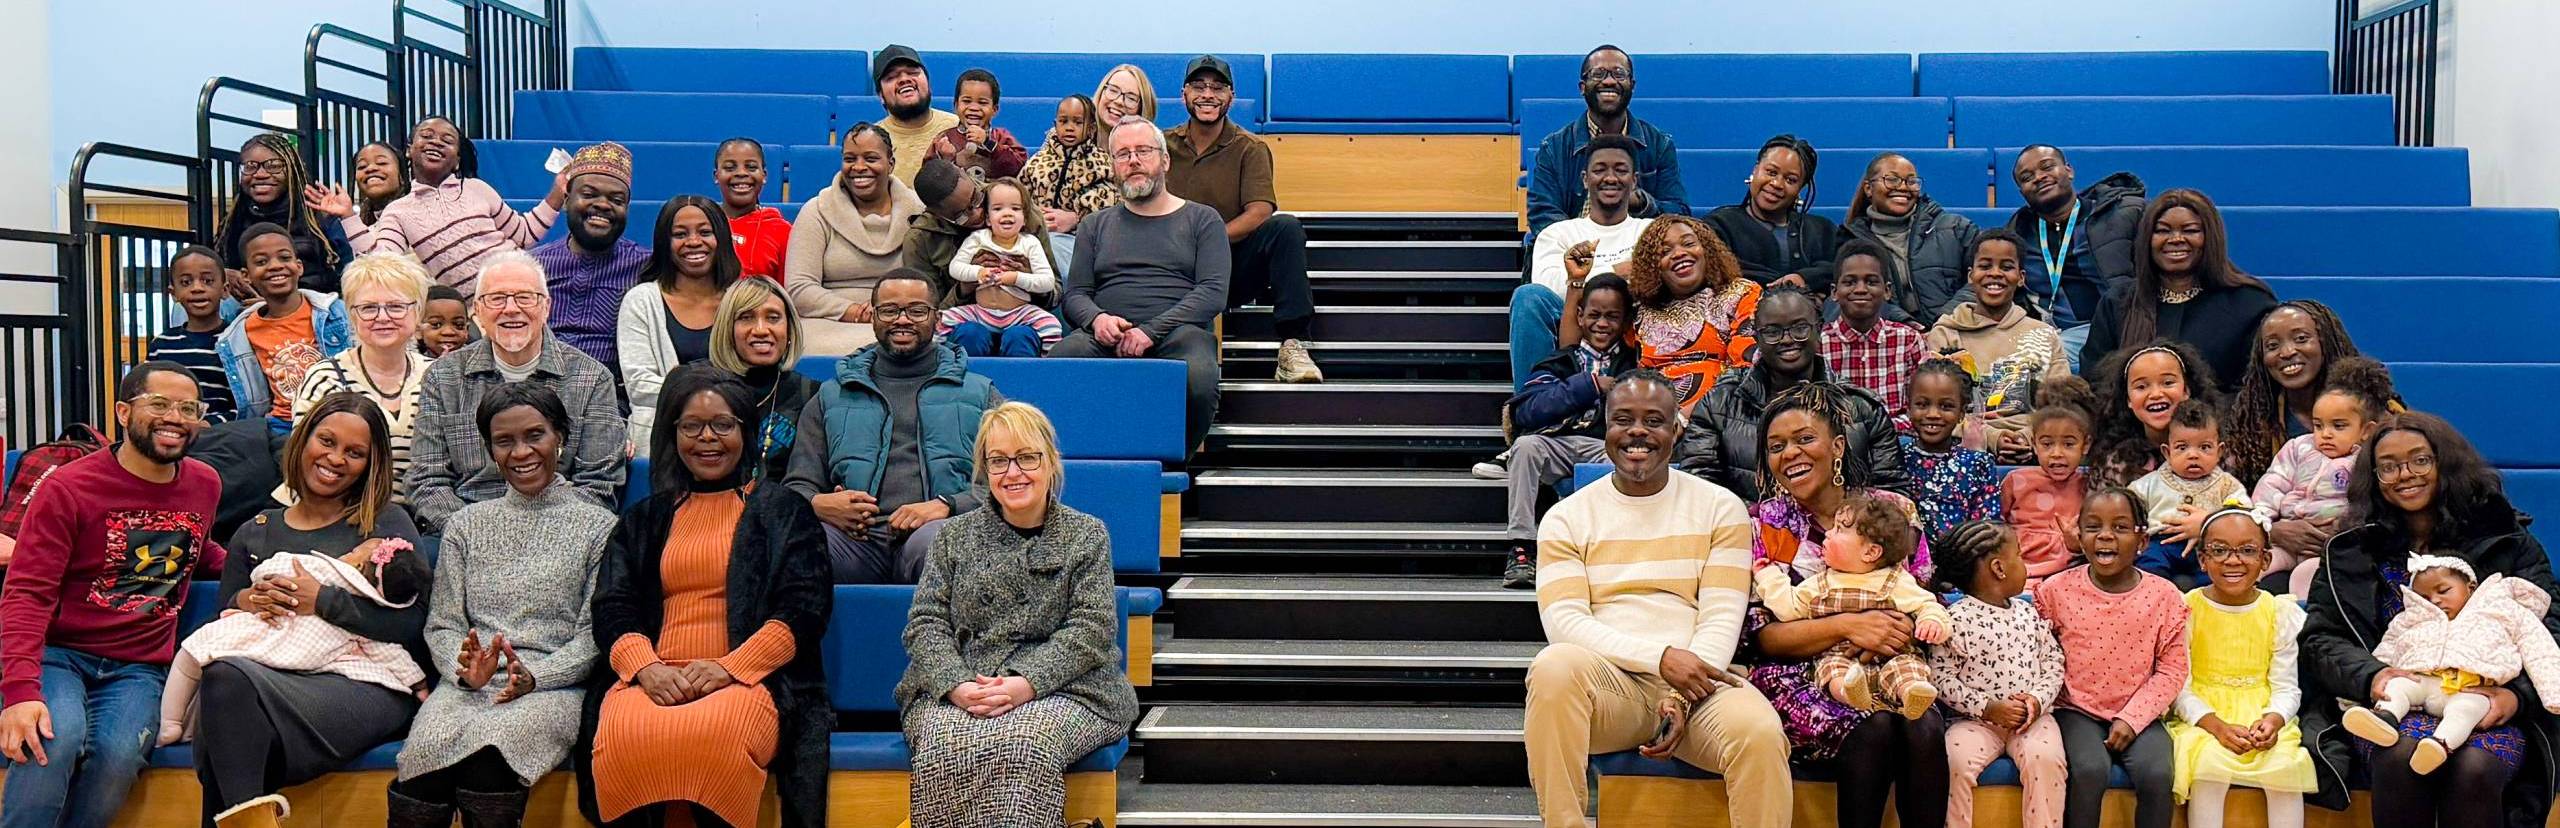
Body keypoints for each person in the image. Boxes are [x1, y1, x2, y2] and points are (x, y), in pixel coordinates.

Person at [1521, 370, 1789, 828]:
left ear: (1676, 430)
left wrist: (1681, 695)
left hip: (1699, 685)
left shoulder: (1720, 507)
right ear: (1605, 428)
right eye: (1623, 419)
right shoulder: (1566, 518)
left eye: (1654, 420)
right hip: (1612, 688)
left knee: (1760, 733)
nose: (1637, 432)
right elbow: (1565, 623)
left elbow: (1722, 617)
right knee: (1552, 667)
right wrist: (1661, 659)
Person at [583, 365, 832, 828]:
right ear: (672, 433)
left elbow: (804, 610)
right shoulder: (645, 517)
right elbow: (612, 605)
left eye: (723, 424)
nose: (707, 439)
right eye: (691, 426)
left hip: (749, 678)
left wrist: (728, 668)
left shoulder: (783, 511)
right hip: (653, 676)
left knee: (715, 735)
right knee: (623, 733)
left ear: (746, 430)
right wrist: (645, 667)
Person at [180, 392, 431, 828]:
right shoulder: (254, 532)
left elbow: (413, 624)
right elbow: (223, 626)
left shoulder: (385, 524)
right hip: (270, 678)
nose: (336, 459)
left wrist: (325, 601)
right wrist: (247, 601)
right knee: (225, 681)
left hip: (363, 681)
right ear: (303, 440)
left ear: (371, 464)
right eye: (327, 441)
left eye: (355, 453)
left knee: (230, 725)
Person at [2300, 411, 2558, 827]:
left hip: (2487, 701)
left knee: (2474, 767)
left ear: (2444, 463)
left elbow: (2550, 630)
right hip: (2395, 706)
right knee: (2401, 754)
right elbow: (2321, 640)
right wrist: (2374, 677)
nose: (2405, 474)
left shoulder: (2507, 540)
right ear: (2373, 477)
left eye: (2420, 460)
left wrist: (2517, 697)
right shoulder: (2350, 550)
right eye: (2389, 466)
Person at [0, 363, 224, 828]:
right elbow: (27, 592)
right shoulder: (68, 487)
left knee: (119, 755)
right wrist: (20, 691)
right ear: (123, 412)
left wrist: (260, 566)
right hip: (59, 656)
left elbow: (197, 550)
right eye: (159, 404)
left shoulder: (205, 483)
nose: (175, 417)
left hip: (140, 667)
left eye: (188, 408)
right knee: (52, 742)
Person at [899, 402, 1137, 827]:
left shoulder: (1086, 533)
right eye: (998, 461)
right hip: (964, 684)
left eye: (1027, 457)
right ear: (984, 471)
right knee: (942, 741)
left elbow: (1092, 628)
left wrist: (1027, 683)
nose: (1013, 473)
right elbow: (925, 623)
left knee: (1025, 740)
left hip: (1069, 689)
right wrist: (955, 684)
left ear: (1050, 462)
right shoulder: (953, 535)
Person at [392, 383, 614, 828]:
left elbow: (594, 638)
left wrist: (536, 677)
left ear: (561, 438)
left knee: (489, 761)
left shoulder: (599, 526)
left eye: (535, 435)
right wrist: (463, 668)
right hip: (468, 686)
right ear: (490, 450)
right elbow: (443, 625)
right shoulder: (465, 525)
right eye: (504, 441)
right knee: (422, 762)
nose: (521, 452)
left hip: (552, 688)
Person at [1733, 382, 1941, 828]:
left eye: (1804, 438)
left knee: (1922, 724)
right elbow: (1761, 639)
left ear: (1838, 446)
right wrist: (1850, 626)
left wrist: (1887, 633)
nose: (1790, 453)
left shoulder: (1893, 510)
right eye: (1776, 446)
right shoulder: (1764, 523)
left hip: (1892, 661)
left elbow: (1921, 600)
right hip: (1798, 672)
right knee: (1873, 726)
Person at [784, 271, 1000, 584]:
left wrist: (948, 506)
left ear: (937, 318)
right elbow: (797, 485)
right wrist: (820, 504)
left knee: (939, 544)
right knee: (799, 546)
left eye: (916, 310)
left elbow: (1012, 481)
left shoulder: (980, 394)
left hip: (937, 534)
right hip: (855, 540)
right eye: (889, 310)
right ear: (872, 316)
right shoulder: (831, 395)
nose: (902, 320)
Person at [406, 252, 628, 533]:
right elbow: (427, 480)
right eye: (497, 298)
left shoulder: (593, 378)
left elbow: (599, 483)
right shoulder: (443, 377)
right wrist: (477, 534)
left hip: (560, 534)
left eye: (525, 297)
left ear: (546, 306)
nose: (511, 309)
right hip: (468, 529)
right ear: (478, 311)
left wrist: (532, 536)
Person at [1052, 117, 1232, 455]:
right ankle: (1080, 461)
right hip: (1104, 335)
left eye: (1143, 151)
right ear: (1114, 167)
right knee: (1062, 359)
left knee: (1198, 377)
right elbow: (1075, 294)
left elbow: (1212, 292)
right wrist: (1098, 320)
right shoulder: (1095, 225)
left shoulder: (1203, 219)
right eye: (1122, 154)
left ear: (1164, 160)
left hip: (1179, 334)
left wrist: (1150, 331)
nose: (1133, 160)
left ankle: (1174, 466)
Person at [2039, 486, 2189, 828]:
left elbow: (2172, 670)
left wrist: (2133, 718)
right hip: (2075, 709)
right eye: (2093, 527)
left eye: (2120, 527)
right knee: (2090, 770)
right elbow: (2041, 656)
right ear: (2080, 535)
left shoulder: (2165, 596)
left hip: (2140, 711)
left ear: (2141, 541)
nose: (2105, 535)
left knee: (2158, 773)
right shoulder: (2054, 591)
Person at [1167, 54, 1322, 384]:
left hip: (1229, 267)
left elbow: (1260, 211)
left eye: (1217, 87)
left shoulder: (1250, 147)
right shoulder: (1161, 147)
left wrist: (1209, 240)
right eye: (1198, 86)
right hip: (1170, 266)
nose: (1208, 94)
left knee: (1285, 227)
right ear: (1183, 94)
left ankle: (1293, 345)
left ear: (1231, 98)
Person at [1677, 289, 1906, 498]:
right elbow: (1700, 489)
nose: (1787, 340)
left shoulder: (1862, 407)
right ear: (1756, 337)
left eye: (1799, 328)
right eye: (1772, 332)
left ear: (1819, 329)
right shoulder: (1719, 403)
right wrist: (1765, 524)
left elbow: (1892, 493)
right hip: (1746, 534)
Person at [2344, 555, 2560, 776]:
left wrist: (2554, 693)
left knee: (2466, 710)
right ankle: (2384, 719)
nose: (2435, 600)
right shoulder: (2411, 618)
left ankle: (2440, 744)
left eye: (2443, 590)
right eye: (2424, 597)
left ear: (2471, 587)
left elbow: (2539, 647)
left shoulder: (2502, 609)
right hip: (2422, 681)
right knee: (2396, 686)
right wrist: (2368, 683)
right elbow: (2387, 649)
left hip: (2472, 687)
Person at [2168, 508, 2315, 828]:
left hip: (2262, 711)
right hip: (2204, 717)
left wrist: (2274, 720)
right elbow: (2179, 685)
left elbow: (2287, 686)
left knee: (2285, 766)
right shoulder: (2186, 608)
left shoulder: (2279, 612)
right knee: (2208, 763)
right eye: (2219, 550)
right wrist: (2214, 725)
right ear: (2202, 560)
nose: (2233, 560)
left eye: (2247, 551)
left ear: (2265, 560)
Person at [1492, 274, 1637, 587]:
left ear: (1625, 321)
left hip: (1602, 445)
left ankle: (1597, 551)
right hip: (1554, 444)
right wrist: (1590, 385)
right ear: (1580, 316)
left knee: (1624, 459)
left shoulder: (1632, 366)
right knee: (1526, 447)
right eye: (1594, 315)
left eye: (1612, 316)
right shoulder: (1560, 360)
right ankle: (1522, 547)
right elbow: (1527, 411)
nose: (1602, 324)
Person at [1751, 492, 1950, 718]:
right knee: (1831, 670)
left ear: (1870, 552)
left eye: (1838, 530)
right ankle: (1849, 693)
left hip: (1891, 657)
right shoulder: (1821, 582)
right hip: (1841, 656)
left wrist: (1931, 622)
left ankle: (1911, 694)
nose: (1827, 533)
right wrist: (1768, 575)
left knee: (1907, 668)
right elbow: (1789, 607)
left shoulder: (1896, 580)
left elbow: (1927, 604)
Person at [313, 115, 564, 293]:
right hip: (472, 316)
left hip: (520, 286)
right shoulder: (398, 211)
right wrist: (348, 216)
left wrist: (558, 191)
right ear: (410, 151)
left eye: (447, 140)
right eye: (427, 136)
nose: (436, 142)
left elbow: (525, 234)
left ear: (456, 160)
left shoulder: (478, 188)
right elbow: (380, 263)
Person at [1931, 521, 2069, 828]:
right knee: (1952, 760)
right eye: (2019, 556)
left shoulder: (2027, 612)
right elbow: (1940, 677)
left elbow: (2053, 662)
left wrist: (2036, 700)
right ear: (1998, 568)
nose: (2025, 564)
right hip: (1976, 722)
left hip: (2032, 721)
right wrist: (1987, 708)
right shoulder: (1955, 619)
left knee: (2045, 761)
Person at [2081, 188, 2277, 385]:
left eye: (2190, 230)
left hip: (2223, 414)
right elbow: (2095, 380)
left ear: (2211, 238)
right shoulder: (2117, 303)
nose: (2175, 239)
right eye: (2162, 231)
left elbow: (2257, 387)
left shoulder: (2250, 303)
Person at [290, 252, 435, 502]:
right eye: (368, 308)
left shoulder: (439, 376)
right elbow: (303, 466)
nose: (382, 317)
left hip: (427, 519)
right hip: (343, 517)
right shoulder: (324, 379)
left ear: (418, 311)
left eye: (396, 306)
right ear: (351, 315)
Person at [1514, 134, 1653, 390]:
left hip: (1635, 323)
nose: (1610, 178)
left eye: (1621, 170)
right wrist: (1616, 272)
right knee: (1528, 298)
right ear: (1585, 179)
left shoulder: (1651, 231)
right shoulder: (1558, 233)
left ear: (1634, 181)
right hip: (1573, 320)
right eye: (1600, 170)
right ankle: (1530, 404)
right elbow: (1548, 289)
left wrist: (1581, 275)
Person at [2254, 358, 2396, 599]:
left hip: (2329, 545)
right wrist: (2261, 521)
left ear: (2366, 431)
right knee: (2255, 565)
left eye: (2338, 426)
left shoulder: (2365, 461)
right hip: (2286, 536)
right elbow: (2272, 483)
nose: (2325, 434)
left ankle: (2301, 613)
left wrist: (2344, 530)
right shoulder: (2298, 448)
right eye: (2318, 425)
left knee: (2308, 576)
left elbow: (2368, 505)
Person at [1928, 229, 2073, 460]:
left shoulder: (2042, 335)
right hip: (1963, 448)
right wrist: (1991, 439)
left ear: (2021, 277)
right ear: (1970, 275)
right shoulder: (1946, 334)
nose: (1995, 274)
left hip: (2036, 444)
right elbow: (1935, 410)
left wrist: (2027, 437)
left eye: (2006, 267)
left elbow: (2062, 405)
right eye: (1985, 266)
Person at [1523, 45, 1687, 245]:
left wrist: (1642, 203)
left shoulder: (1659, 145)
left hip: (1638, 254)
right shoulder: (1553, 148)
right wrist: (1589, 251)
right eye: (1598, 74)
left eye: (1619, 74)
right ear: (1582, 87)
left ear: (1632, 85)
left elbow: (1679, 213)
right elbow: (1543, 214)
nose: (1609, 81)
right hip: (1573, 254)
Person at [786, 122, 924, 356]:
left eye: (870, 158)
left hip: (904, 319)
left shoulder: (919, 212)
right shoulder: (816, 211)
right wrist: (852, 311)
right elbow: (799, 287)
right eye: (850, 159)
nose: (859, 167)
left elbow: (933, 281)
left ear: (890, 163)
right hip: (828, 321)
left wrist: (891, 313)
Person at [620, 194, 742, 455]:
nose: (694, 242)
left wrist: (680, 385)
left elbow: (752, 379)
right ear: (666, 243)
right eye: (680, 234)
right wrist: (715, 393)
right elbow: (639, 386)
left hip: (732, 438)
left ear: (720, 238)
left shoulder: (741, 299)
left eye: (705, 232)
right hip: (659, 440)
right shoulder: (641, 301)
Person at [2005, 146, 2147, 369]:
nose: (2039, 177)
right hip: (2048, 332)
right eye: (2027, 177)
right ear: (2022, 191)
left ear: (2069, 171)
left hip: (2120, 327)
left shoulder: (2126, 214)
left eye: (2047, 167)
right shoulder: (2018, 233)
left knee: (2040, 361)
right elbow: (1982, 280)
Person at [218, 223, 354, 431]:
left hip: (336, 417)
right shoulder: (240, 333)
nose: (275, 266)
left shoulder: (335, 312)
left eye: (284, 258)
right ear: (246, 275)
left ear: (299, 266)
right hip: (283, 425)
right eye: (262, 261)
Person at [529, 141, 647, 371]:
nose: (603, 205)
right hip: (538, 389)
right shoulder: (534, 266)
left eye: (617, 200)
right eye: (589, 194)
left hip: (613, 394)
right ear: (566, 200)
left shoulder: (646, 266)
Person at [1626, 215, 1759, 411]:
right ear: (1654, 268)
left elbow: (1746, 368)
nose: (1679, 253)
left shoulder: (1741, 293)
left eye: (1688, 243)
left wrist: (1687, 416)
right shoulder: (1641, 313)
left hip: (1725, 412)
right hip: (1654, 417)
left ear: (1707, 250)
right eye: (1664, 251)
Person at [2225, 300, 2363, 485]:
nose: (2287, 352)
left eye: (2301, 339)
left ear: (2326, 342)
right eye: (2273, 345)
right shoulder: (2251, 427)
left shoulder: (2373, 410)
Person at [1842, 151, 1977, 328]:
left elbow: (1980, 280)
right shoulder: (1852, 241)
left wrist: (1944, 323)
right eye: (1892, 179)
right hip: (1891, 339)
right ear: (1869, 188)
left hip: (1957, 330)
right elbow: (1849, 297)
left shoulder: (1957, 228)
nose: (1903, 187)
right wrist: (1907, 326)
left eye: (1911, 181)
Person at [2126, 400, 2250, 589]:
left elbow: (2244, 515)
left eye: (2205, 447)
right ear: (2167, 453)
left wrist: (2210, 523)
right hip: (2161, 544)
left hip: (2207, 547)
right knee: (2149, 568)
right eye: (2182, 448)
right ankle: (2152, 605)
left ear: (2220, 451)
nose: (2193, 455)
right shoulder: (2149, 484)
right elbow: (2128, 507)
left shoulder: (2227, 485)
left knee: (2216, 575)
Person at [940, 177, 1064, 357]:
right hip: (981, 312)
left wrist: (1015, 278)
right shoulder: (978, 239)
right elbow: (956, 267)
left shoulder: (1030, 243)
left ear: (1024, 218)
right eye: (998, 209)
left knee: (1052, 325)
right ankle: (939, 361)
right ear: (988, 219)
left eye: (1015, 208)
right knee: (941, 320)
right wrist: (978, 273)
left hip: (1020, 313)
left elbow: (1047, 282)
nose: (1007, 214)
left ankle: (1046, 364)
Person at [1701, 134, 1839, 294]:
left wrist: (1804, 278)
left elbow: (1843, 267)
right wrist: (1782, 285)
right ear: (1755, 170)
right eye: (1771, 172)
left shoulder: (1823, 230)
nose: (1777, 184)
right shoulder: (1719, 224)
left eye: (1790, 180)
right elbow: (1717, 270)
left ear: (1801, 188)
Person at [708, 278, 814, 484]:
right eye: (746, 317)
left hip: (784, 510)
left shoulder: (811, 394)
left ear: (789, 329)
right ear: (727, 328)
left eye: (773, 318)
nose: (761, 330)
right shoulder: (694, 388)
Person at [218, 132, 350, 294]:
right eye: (250, 167)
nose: (260, 174)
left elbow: (352, 272)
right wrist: (222, 274)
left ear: (291, 170)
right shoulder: (233, 221)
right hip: (249, 311)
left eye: (273, 166)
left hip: (314, 308)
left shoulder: (318, 217)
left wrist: (276, 306)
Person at [2088, 340, 2221, 487]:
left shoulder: (2219, 453)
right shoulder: (2115, 465)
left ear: (2186, 391)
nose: (2156, 394)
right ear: (2128, 400)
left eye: (2168, 383)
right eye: (2141, 386)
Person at [1820, 239, 1926, 416]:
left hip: (1898, 438)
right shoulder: (1819, 345)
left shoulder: (1908, 340)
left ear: (1887, 291)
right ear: (1834, 292)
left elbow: (1918, 410)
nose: (1860, 289)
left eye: (1871, 282)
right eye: (1850, 282)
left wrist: (1881, 431)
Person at [2004, 387, 2097, 581]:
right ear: (2034, 443)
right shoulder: (2016, 480)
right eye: (2047, 444)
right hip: (2018, 565)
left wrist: (2074, 543)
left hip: (2071, 568)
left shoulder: (2090, 484)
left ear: (2085, 445)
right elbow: (1996, 524)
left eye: (2069, 444)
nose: (2057, 453)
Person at [1904, 359, 2001, 539]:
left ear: (1961, 413)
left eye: (1946, 406)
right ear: (1908, 408)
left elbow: (1987, 531)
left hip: (1962, 561)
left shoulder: (1978, 464)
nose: (1933, 414)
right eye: (1922, 405)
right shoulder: (1896, 462)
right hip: (1907, 563)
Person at [148, 245, 242, 425]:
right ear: (173, 293)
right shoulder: (161, 346)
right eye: (186, 282)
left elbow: (248, 403)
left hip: (223, 437)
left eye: (207, 281)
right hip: (172, 429)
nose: (197, 288)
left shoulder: (239, 341)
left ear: (225, 290)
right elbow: (152, 397)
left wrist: (208, 424)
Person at [1022, 94, 1116, 269]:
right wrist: (1032, 218)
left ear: (1091, 128)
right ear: (1055, 124)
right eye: (1063, 121)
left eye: (1078, 122)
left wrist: (1079, 217)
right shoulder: (1038, 161)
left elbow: (1110, 202)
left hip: (1078, 240)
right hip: (1035, 236)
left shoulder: (1101, 164)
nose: (1069, 128)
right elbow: (1021, 196)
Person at [873, 45, 961, 186]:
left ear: (928, 84)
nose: (903, 79)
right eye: (891, 77)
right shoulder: (871, 140)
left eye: (912, 72)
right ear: (881, 96)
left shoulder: (958, 127)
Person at [714, 137, 791, 281]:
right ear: (716, 176)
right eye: (730, 168)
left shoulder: (782, 231)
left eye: (751, 167)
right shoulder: (702, 223)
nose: (741, 173)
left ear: (764, 176)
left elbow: (786, 291)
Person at [931, 68, 1027, 182]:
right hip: (957, 198)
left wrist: (988, 143)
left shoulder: (1002, 137)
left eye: (982, 103)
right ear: (956, 106)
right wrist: (946, 159)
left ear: (995, 109)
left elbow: (1019, 168)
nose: (974, 108)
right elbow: (929, 178)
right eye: (966, 101)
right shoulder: (945, 138)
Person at [351, 140, 410, 228]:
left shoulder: (417, 214)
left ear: (401, 175)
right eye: (362, 166)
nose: (370, 168)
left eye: (381, 163)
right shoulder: (353, 223)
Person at [418, 284, 473, 358]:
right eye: (436, 324)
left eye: (458, 325)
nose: (449, 332)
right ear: (417, 330)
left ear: (467, 329)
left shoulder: (476, 360)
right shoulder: (409, 364)